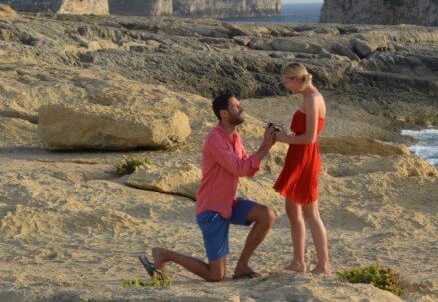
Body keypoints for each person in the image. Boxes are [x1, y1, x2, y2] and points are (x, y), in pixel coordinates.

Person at [138, 92, 279, 282]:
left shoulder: (235, 137)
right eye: (236, 106)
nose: (241, 108)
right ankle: (164, 254)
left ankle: (242, 266)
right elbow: (239, 168)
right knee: (216, 275)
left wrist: (265, 147)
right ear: (224, 114)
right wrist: (264, 146)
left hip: (229, 204)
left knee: (266, 214)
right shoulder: (215, 139)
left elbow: (247, 169)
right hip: (211, 210)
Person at [272, 63, 331, 276]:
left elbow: (310, 137)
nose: (286, 86)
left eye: (287, 81)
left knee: (311, 212)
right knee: (293, 209)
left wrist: (283, 138)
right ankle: (299, 261)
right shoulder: (308, 97)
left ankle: (323, 265)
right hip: (298, 156)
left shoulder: (312, 98)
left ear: (297, 79)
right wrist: (286, 135)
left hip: (305, 157)